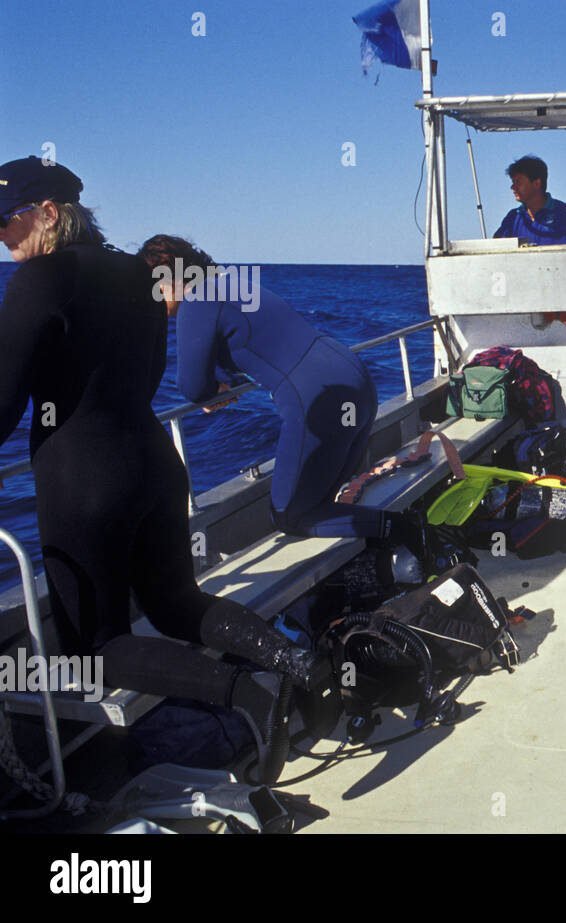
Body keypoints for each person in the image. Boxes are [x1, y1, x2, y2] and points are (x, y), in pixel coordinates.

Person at [0, 157, 325, 784]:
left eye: (7, 221)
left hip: (84, 483)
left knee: (96, 651)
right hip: (155, 465)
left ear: (47, 214)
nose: (1, 237)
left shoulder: (40, 278)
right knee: (178, 603)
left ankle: (253, 697)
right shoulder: (143, 276)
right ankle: (292, 665)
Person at [137, 235, 428, 558]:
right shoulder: (233, 284)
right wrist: (221, 382)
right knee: (320, 503)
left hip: (318, 399)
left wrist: (212, 392)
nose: (153, 300)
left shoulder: (195, 303)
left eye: (155, 289)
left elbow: (192, 387)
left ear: (170, 276)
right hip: (353, 378)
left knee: (292, 516)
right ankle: (390, 550)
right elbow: (255, 345)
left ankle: (403, 527)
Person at [493, 156, 566, 245]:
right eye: (513, 182)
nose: (512, 187)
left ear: (537, 183)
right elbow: (496, 248)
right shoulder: (512, 218)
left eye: (518, 182)